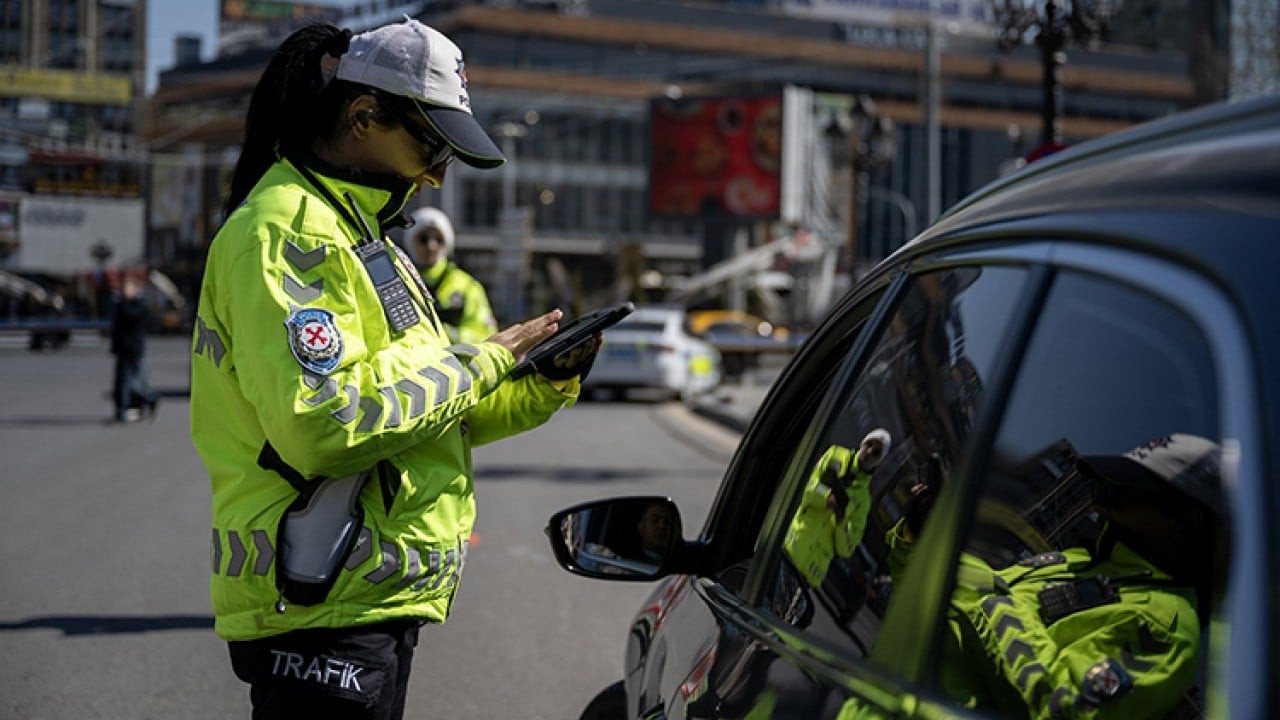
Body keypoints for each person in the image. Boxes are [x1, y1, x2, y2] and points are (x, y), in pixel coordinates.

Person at [189, 18, 598, 719]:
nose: (438, 173)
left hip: (361, 600)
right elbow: (327, 424)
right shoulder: (291, 232)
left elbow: (433, 415)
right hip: (321, 599)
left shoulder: (364, 236)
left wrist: (543, 380)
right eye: (432, 144)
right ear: (362, 116)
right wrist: (484, 362)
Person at [881, 434, 1222, 719]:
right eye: (1108, 483)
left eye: (1129, 489)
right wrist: (923, 534)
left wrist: (989, 602)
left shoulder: (1167, 627)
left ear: (1188, 516)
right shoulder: (1081, 560)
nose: (1100, 499)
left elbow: (1061, 708)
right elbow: (941, 591)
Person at [782, 429, 891, 588]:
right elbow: (805, 486)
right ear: (862, 442)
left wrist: (841, 521)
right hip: (791, 547)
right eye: (869, 444)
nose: (869, 452)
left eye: (876, 452)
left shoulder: (863, 500)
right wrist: (825, 497)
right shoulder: (835, 454)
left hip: (810, 572)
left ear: (878, 461)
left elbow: (847, 549)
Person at [404, 206, 497, 344]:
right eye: (423, 239)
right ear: (411, 242)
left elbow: (487, 336)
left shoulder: (467, 286)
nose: (431, 246)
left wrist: (448, 334)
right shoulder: (399, 281)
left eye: (439, 239)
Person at [109, 273, 158, 422]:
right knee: (124, 381)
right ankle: (125, 408)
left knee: (129, 381)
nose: (125, 290)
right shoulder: (122, 304)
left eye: (128, 288)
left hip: (134, 348)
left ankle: (146, 400)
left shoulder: (138, 305)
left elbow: (133, 316)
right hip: (123, 348)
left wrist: (123, 302)